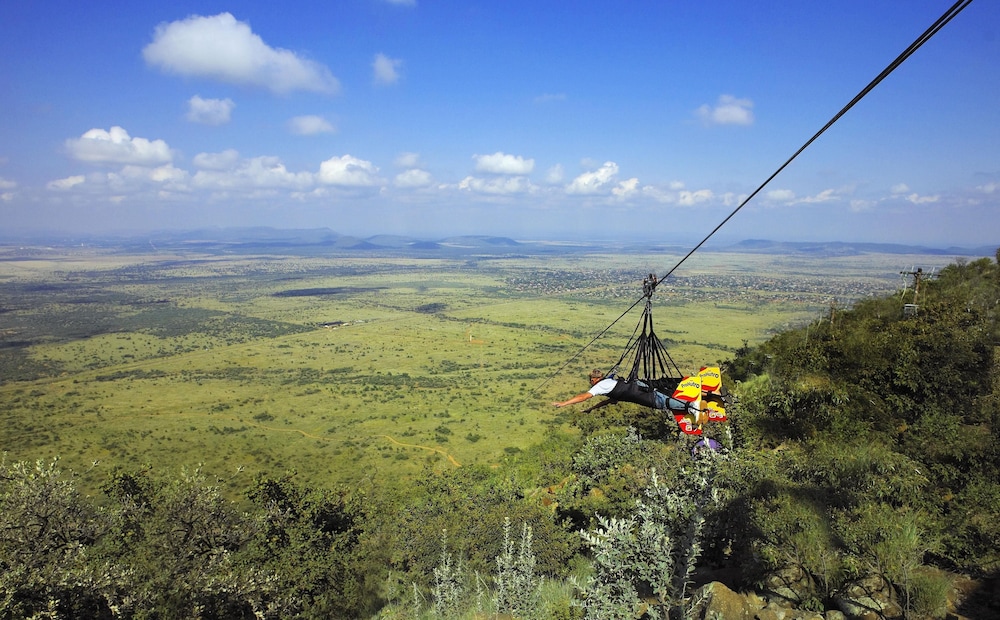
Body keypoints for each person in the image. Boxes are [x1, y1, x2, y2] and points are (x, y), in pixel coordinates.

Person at [552, 369, 705, 421]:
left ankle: (692, 406)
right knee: (662, 387)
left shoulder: (600, 385)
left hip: (639, 392)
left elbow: (583, 396)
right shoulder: (608, 383)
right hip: (639, 386)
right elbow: (610, 401)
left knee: (659, 401)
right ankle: (706, 391)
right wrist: (591, 409)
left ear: (594, 379)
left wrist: (564, 403)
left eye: (591, 381)